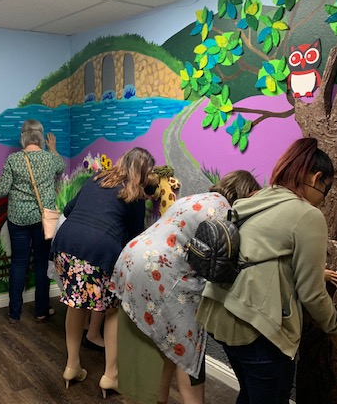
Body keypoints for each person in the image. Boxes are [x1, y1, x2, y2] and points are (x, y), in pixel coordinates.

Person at [196, 137, 337, 404]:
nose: (323, 201)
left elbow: (267, 254)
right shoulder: (307, 214)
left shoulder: (260, 197)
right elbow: (312, 294)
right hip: (255, 329)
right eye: (325, 190)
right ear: (316, 178)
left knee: (248, 394)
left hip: (218, 315)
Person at [112, 170, 261, 404]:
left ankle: (159, 398)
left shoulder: (194, 198)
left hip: (131, 259)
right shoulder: (225, 212)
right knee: (189, 348)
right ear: (248, 194)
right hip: (160, 272)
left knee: (168, 340)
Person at [51, 147, 155, 397]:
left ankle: (72, 366)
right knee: (111, 310)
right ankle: (111, 376)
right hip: (97, 253)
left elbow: (67, 211)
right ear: (143, 171)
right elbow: (134, 238)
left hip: (64, 246)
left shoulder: (95, 178)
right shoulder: (136, 195)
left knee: (76, 305)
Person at [0, 119, 65, 323]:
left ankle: (14, 313)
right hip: (45, 218)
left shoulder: (14, 160)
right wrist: (53, 149)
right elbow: (61, 167)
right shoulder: (50, 159)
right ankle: (42, 310)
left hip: (18, 218)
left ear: (23, 137)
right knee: (42, 263)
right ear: (40, 137)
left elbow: (2, 190)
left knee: (18, 263)